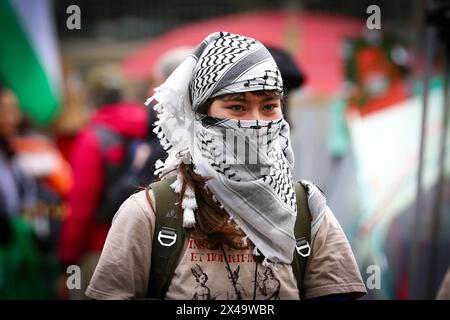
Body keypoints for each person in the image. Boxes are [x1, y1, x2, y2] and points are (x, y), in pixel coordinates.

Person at [86, 32, 367, 300]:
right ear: (201, 115)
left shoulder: (310, 213)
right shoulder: (149, 214)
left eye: (269, 107)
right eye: (237, 107)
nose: (255, 121)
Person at [58, 63, 151, 299]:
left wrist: (67, 261)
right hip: (151, 246)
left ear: (93, 99)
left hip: (102, 248)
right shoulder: (151, 130)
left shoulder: (91, 139)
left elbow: (81, 207)